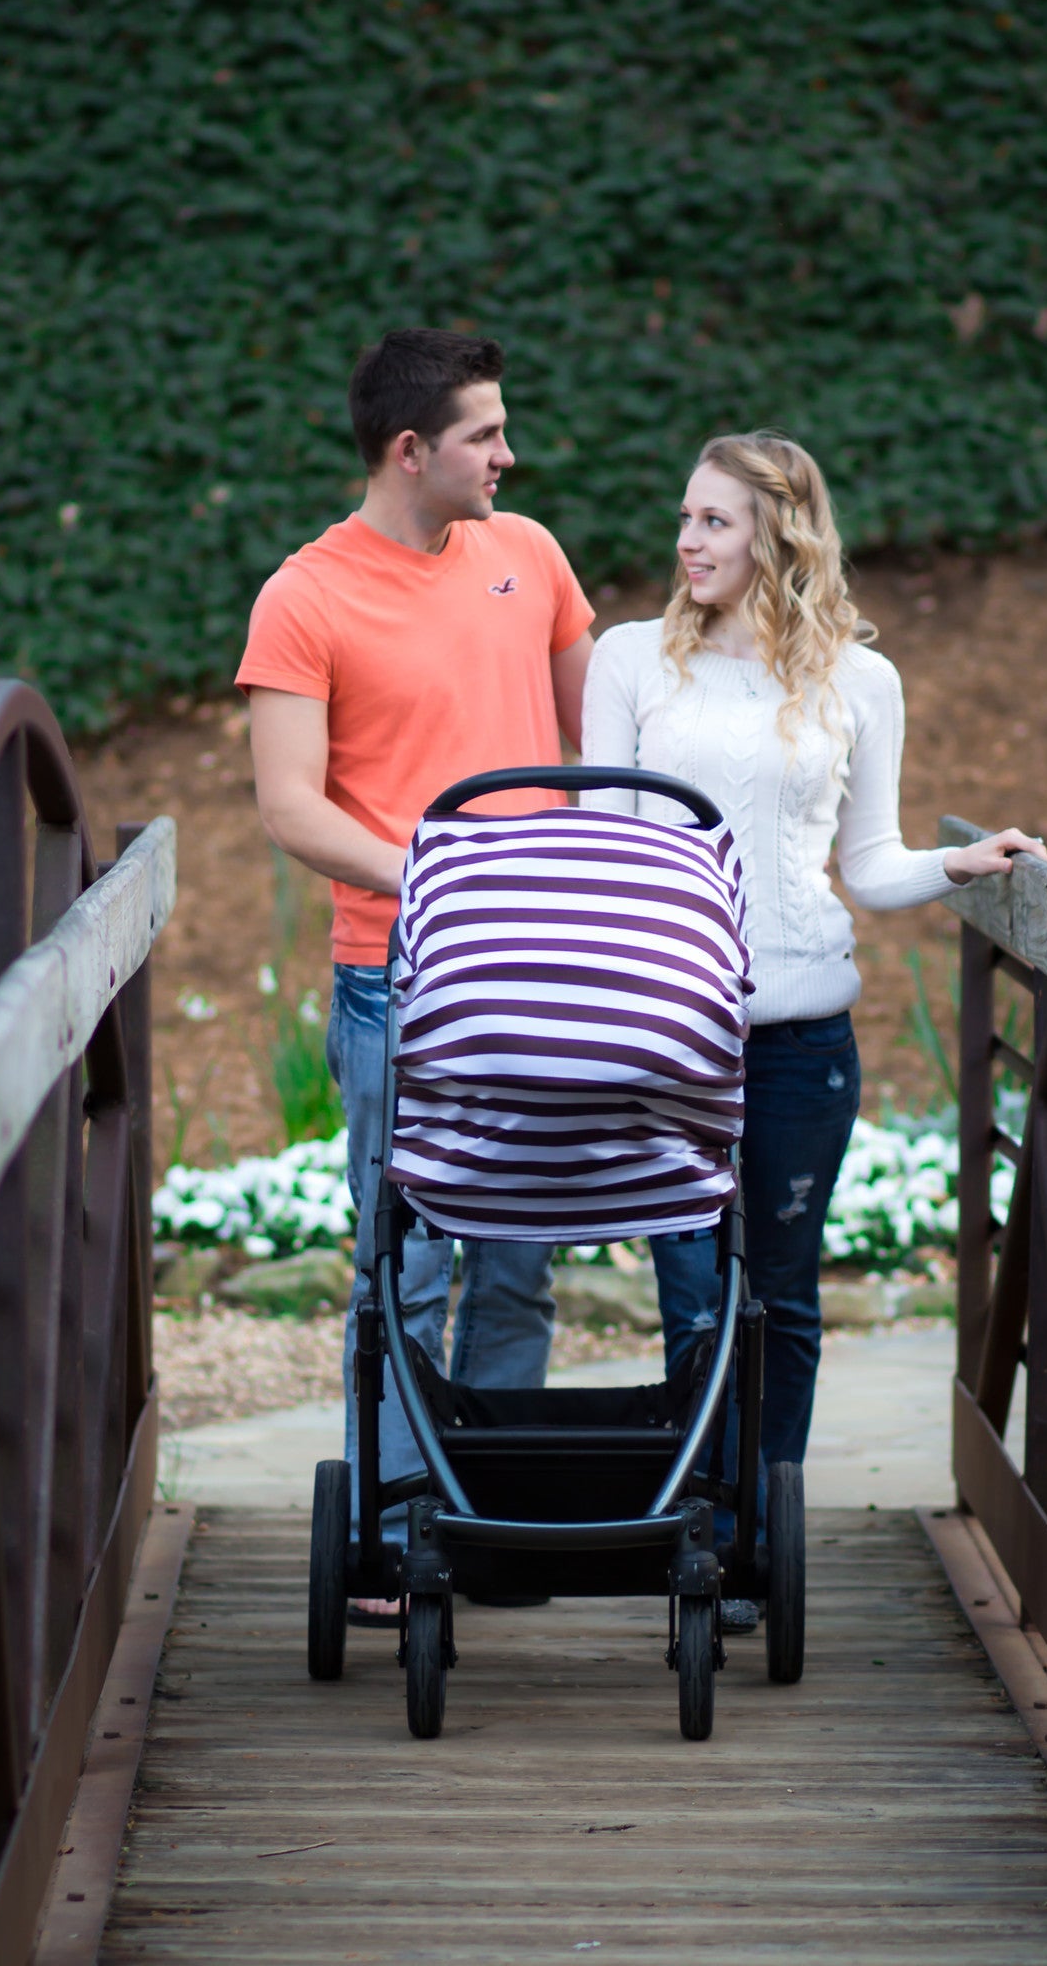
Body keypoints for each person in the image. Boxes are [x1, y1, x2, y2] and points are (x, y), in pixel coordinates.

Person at [581, 430, 1045, 1628]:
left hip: (799, 1046)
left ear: (779, 533)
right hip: (670, 1045)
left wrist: (962, 861)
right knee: (694, 1302)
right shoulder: (631, 662)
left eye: (717, 521)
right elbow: (602, 850)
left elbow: (873, 864)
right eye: (684, 518)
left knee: (779, 1299)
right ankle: (696, 1522)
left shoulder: (857, 679)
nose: (688, 540)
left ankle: (755, 1542)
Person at [237, 328, 595, 1611]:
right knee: (407, 1263)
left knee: (518, 1256)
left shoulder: (530, 555)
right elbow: (291, 807)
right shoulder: (305, 595)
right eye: (486, 435)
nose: (510, 454)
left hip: (545, 972)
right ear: (409, 451)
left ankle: (493, 1527)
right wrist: (443, 873)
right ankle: (393, 1539)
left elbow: (591, 742)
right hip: (398, 976)